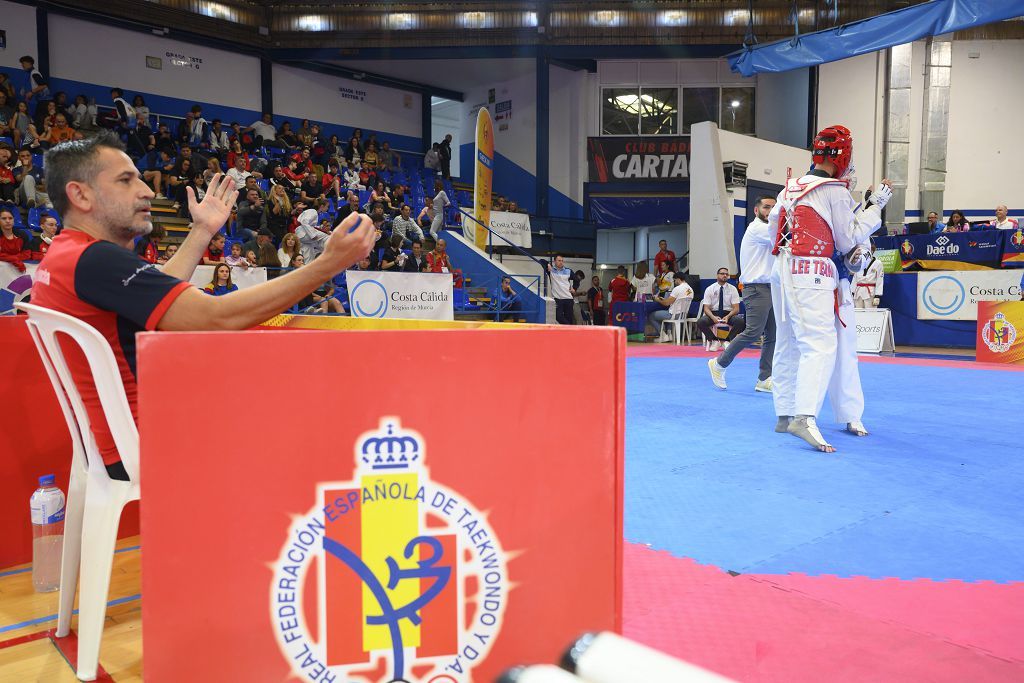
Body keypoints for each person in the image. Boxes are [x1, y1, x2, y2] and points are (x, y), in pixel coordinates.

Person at [30, 133, 377, 480]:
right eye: (125, 180)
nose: (147, 191)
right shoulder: (96, 260)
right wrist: (328, 264)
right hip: (151, 443)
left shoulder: (67, 255)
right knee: (314, 414)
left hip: (118, 440)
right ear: (80, 194)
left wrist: (201, 231)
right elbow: (217, 317)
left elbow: (159, 291)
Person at [767, 124, 891, 452]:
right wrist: (876, 206)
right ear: (843, 157)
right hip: (816, 272)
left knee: (789, 340)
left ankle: (785, 412)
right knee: (821, 345)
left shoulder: (788, 188)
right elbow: (850, 239)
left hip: (784, 269)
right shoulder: (835, 190)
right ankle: (804, 417)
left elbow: (773, 231)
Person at [708, 196, 777, 392]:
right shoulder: (758, 229)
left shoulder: (770, 229)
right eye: (766, 207)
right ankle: (719, 363)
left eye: (773, 207)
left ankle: (764, 378)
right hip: (756, 288)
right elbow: (781, 238)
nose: (770, 210)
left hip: (772, 288)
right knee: (753, 332)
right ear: (756, 210)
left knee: (773, 334)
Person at [696, 267, 744, 350]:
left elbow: (736, 309)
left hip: (728, 313)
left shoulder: (733, 289)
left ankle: (727, 341)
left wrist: (728, 316)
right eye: (722, 274)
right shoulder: (710, 289)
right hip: (713, 313)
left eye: (726, 274)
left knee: (740, 321)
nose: (725, 275)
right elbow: (706, 308)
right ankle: (714, 340)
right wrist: (712, 317)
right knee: (701, 322)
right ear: (717, 275)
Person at [648, 272, 694, 341]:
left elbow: (666, 303)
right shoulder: (690, 289)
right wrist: (665, 300)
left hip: (674, 315)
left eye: (675, 280)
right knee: (667, 313)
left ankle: (663, 336)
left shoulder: (677, 289)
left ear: (678, 279)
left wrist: (658, 300)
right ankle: (669, 335)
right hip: (683, 315)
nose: (674, 282)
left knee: (651, 316)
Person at [547, 254, 576, 325]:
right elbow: (541, 261)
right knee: (558, 316)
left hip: (568, 298)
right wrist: (548, 264)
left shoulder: (568, 271)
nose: (561, 262)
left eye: (562, 261)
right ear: (554, 261)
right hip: (557, 299)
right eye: (559, 260)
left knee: (569, 318)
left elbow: (577, 279)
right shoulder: (551, 270)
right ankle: (569, 327)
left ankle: (568, 334)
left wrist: (574, 288)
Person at [0, 206, 29, 272]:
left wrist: (13, 258)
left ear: (13, 220)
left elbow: (27, 254)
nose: (7, 221)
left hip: (18, 272)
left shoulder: (23, 235)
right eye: (4, 218)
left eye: (10, 218)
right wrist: (13, 259)